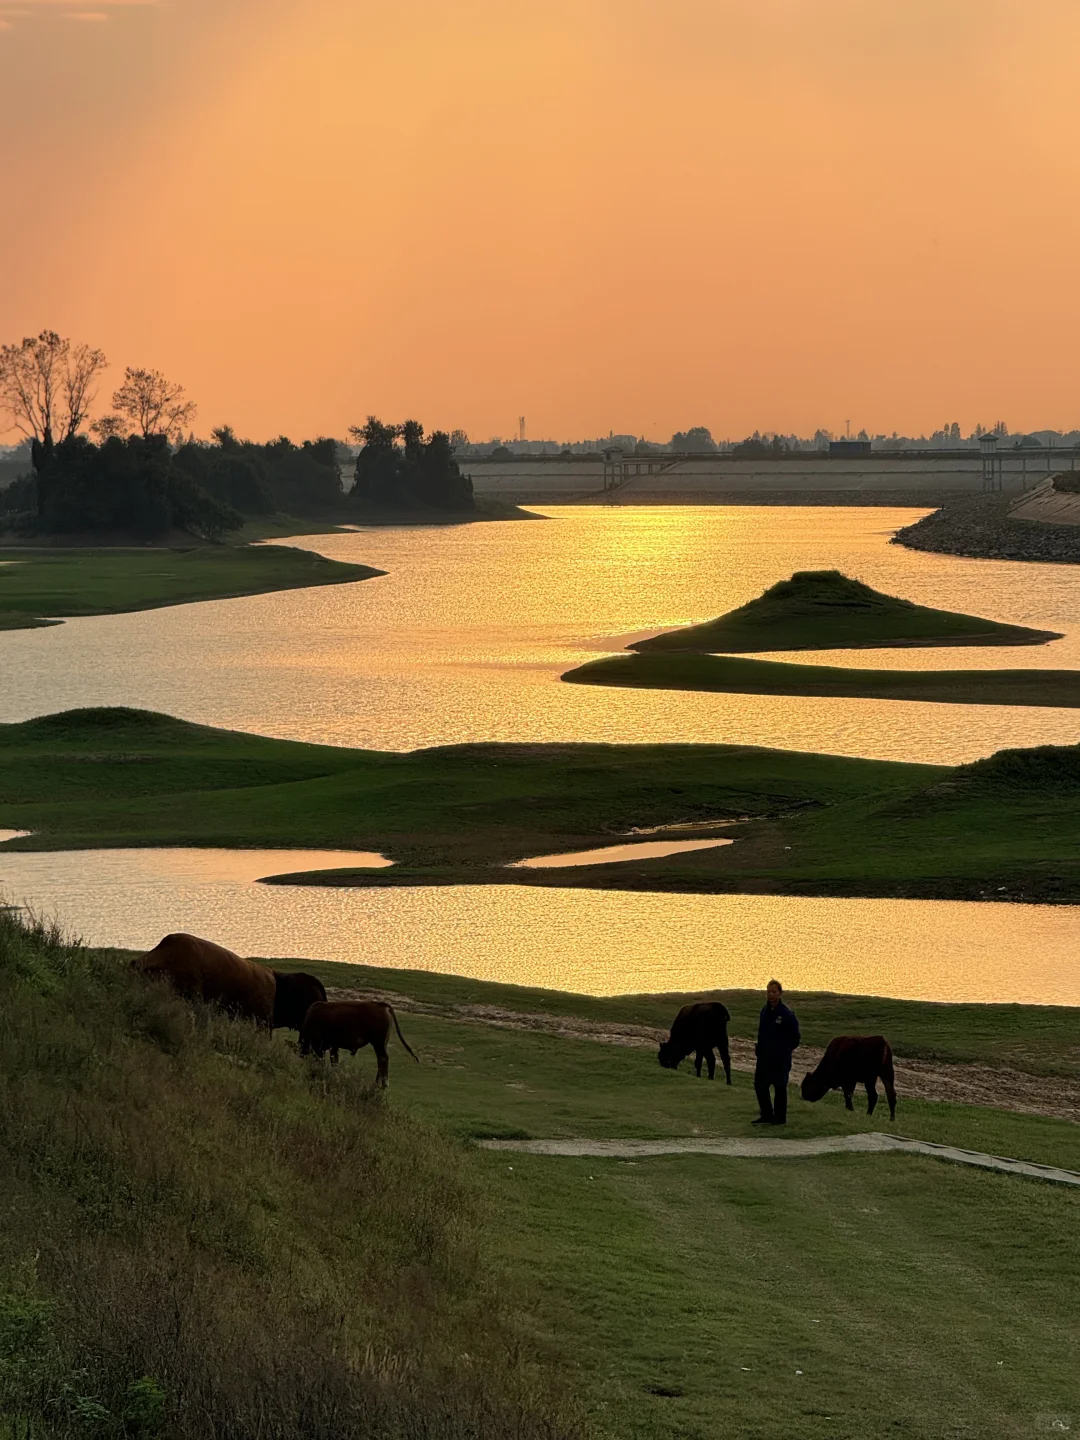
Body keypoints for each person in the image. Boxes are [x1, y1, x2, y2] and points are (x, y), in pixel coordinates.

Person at [753, 979, 800, 1125]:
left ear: (780, 993)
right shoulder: (764, 1011)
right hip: (764, 1057)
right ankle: (766, 1114)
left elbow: (795, 1038)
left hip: (780, 1059)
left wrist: (783, 1050)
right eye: (768, 992)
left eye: (774, 992)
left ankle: (780, 1118)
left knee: (780, 1087)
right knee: (760, 1085)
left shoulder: (786, 1014)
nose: (771, 995)